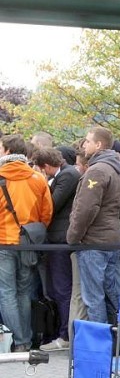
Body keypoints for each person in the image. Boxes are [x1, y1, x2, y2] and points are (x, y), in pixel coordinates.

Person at [0, 134, 54, 351]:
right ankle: (26, 340)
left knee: (6, 292)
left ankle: (20, 341)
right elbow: (46, 213)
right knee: (24, 291)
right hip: (28, 242)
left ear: (6, 151)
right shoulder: (37, 178)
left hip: (3, 242)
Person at [67, 126, 120, 325]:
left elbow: (86, 209)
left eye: (88, 141)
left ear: (98, 144)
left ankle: (100, 343)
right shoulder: (113, 168)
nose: (84, 144)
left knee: (93, 297)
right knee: (110, 292)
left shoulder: (97, 170)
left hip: (93, 241)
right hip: (109, 238)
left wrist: (73, 237)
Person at [32, 147, 80, 351]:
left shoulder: (69, 175)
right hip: (55, 238)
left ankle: (65, 334)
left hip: (61, 238)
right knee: (55, 288)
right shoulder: (63, 175)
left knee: (62, 288)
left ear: (48, 166)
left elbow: (51, 204)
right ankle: (61, 332)